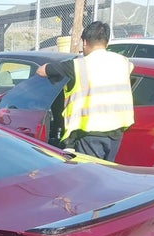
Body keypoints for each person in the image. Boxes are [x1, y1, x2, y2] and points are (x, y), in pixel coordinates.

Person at [35, 21, 134, 161]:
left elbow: (42, 71)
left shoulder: (78, 65)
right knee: (106, 169)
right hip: (117, 130)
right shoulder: (124, 62)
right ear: (106, 43)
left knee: (90, 171)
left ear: (85, 42)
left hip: (91, 132)